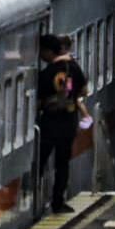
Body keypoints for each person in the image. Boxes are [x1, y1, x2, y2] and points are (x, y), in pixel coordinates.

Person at [37, 32, 87, 215]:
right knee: (62, 163)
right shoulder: (73, 67)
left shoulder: (47, 72)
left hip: (50, 122)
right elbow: (83, 90)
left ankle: (32, 200)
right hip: (69, 121)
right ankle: (58, 202)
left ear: (48, 51)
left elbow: (38, 100)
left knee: (40, 162)